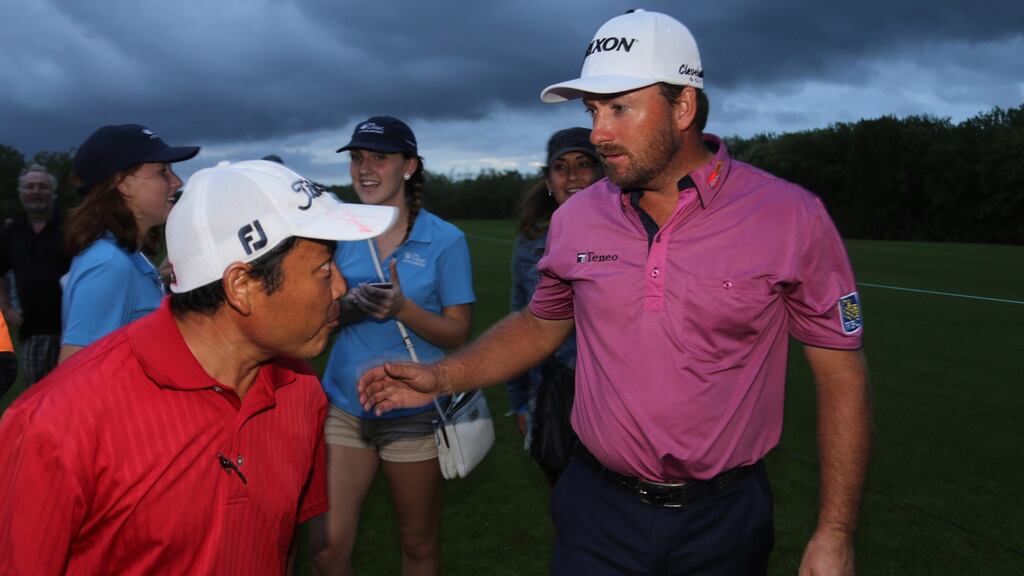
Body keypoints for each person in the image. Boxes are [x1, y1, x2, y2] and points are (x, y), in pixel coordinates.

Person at [359, 9, 871, 576]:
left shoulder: (789, 217)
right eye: (593, 110)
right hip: (596, 510)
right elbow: (539, 325)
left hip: (724, 520)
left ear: (683, 107)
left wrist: (835, 531)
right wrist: (443, 375)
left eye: (620, 108)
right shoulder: (577, 218)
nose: (599, 132)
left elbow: (840, 373)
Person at [0, 159, 398, 574]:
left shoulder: (300, 391)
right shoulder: (53, 425)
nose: (341, 286)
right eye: (322, 269)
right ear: (241, 286)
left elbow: (280, 545)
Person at [311, 117, 475, 576]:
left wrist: (402, 308)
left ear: (409, 166)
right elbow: (310, 321)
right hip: (345, 407)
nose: (364, 168)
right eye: (357, 157)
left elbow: (457, 333)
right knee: (326, 547)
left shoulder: (445, 240)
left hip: (414, 413)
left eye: (378, 157)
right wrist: (353, 308)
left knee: (417, 544)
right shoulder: (336, 232)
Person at [506, 127, 603, 484]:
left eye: (584, 164)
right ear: (548, 179)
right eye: (561, 167)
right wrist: (519, 400)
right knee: (569, 502)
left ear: (602, 171)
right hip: (557, 395)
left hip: (620, 398)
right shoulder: (531, 244)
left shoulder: (633, 234)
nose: (573, 175)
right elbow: (520, 323)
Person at [58, 123, 200, 363]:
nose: (177, 182)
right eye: (162, 172)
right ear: (123, 184)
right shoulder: (108, 264)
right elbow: (74, 372)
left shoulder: (127, 257)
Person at [0, 165, 71, 385]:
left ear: (53, 192)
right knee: (38, 391)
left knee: (72, 388)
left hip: (70, 327)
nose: (36, 191)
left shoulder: (71, 227)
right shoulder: (11, 232)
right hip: (32, 328)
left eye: (42, 186)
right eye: (30, 187)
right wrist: (7, 307)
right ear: (21, 193)